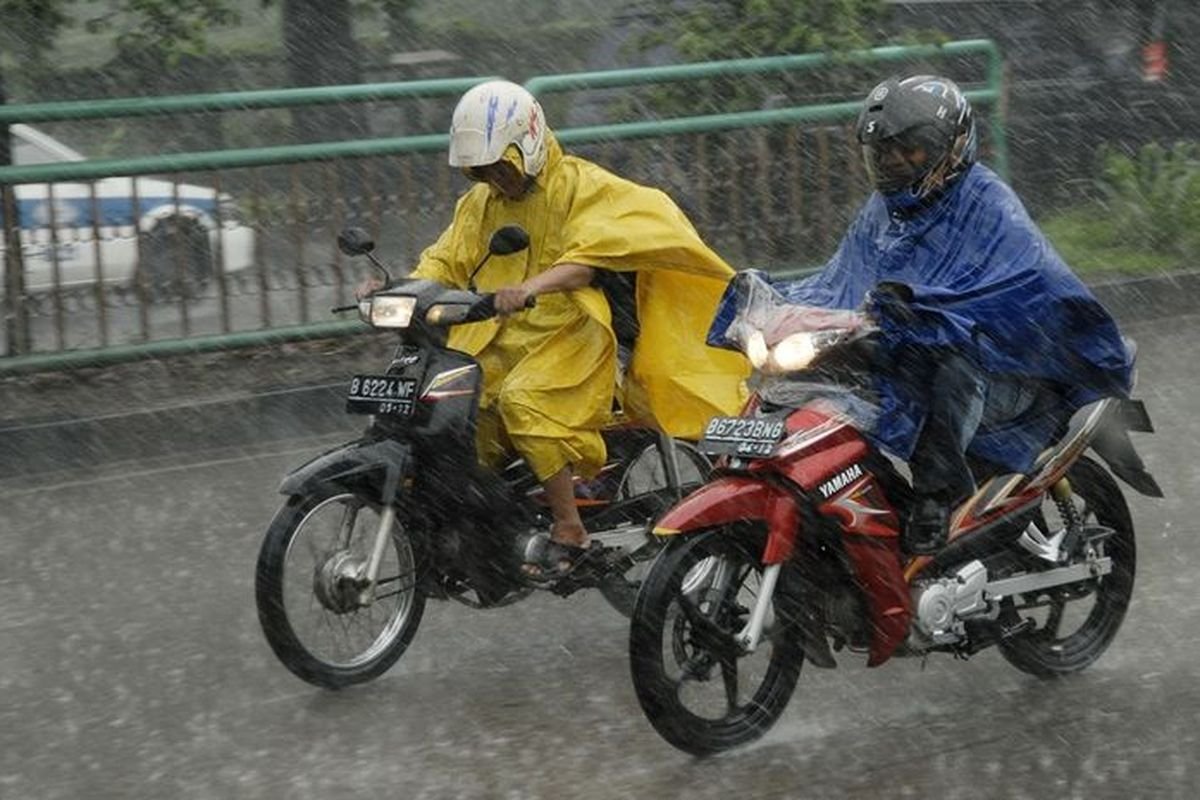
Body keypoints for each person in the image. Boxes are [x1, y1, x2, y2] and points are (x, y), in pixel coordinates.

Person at [358, 79, 748, 578]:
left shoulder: (582, 188)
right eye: (482, 169)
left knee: (525, 402)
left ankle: (569, 528)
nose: (494, 177)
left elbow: (589, 259)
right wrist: (397, 288)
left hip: (569, 334)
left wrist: (530, 287)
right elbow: (445, 260)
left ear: (529, 144)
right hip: (494, 337)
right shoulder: (478, 205)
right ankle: (490, 524)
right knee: (452, 410)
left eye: (501, 165)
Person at [763, 74, 1134, 554]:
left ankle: (937, 498)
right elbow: (841, 280)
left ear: (953, 146)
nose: (894, 162)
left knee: (946, 363)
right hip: (915, 351)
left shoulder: (988, 203)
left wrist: (931, 309)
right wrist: (778, 306)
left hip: (1007, 368)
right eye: (883, 152)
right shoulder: (882, 212)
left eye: (910, 150)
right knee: (828, 370)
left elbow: (1015, 284)